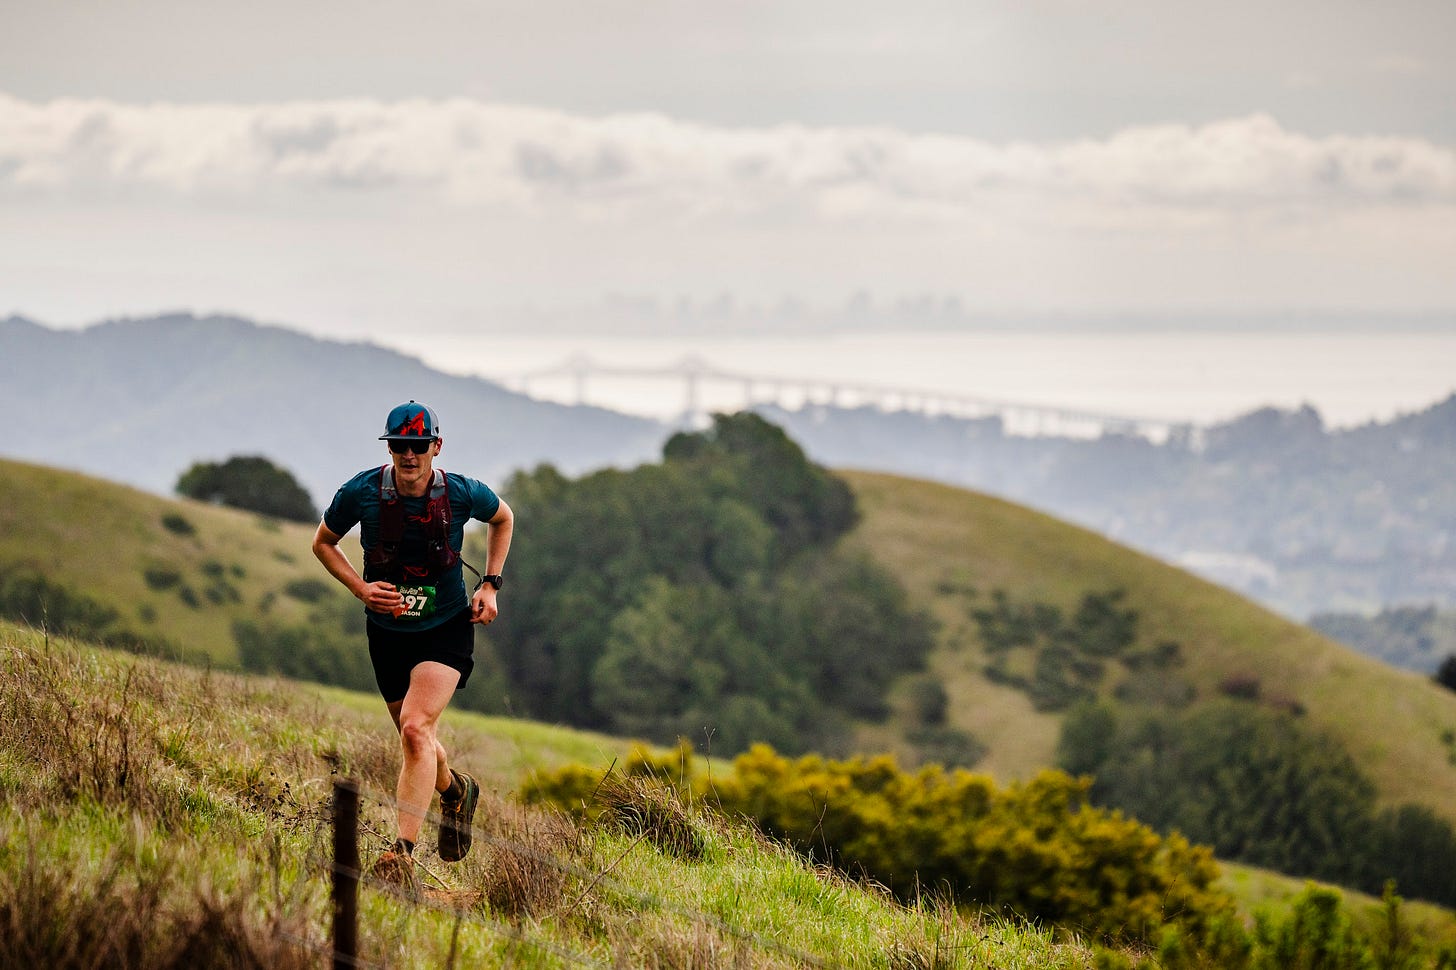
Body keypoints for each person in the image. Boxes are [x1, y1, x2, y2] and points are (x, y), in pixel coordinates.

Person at [312, 400, 514, 891]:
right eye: (399, 446)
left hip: (446, 627)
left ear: (435, 448)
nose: (408, 455)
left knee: (415, 728)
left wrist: (489, 585)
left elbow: (503, 518)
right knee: (416, 739)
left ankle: (400, 853)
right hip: (386, 634)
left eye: (418, 446)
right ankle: (456, 791)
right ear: (389, 448)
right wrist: (361, 589)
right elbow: (322, 542)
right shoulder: (359, 493)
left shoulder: (462, 493)